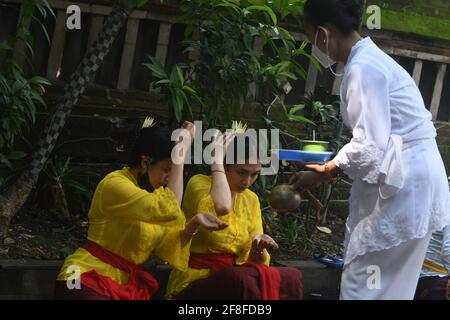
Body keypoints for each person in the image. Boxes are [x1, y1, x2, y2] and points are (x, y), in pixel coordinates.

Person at [289, 0, 450, 299]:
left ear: (323, 33)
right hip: (418, 180)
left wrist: (326, 171)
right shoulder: (373, 59)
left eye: (311, 38)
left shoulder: (362, 68)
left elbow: (369, 147)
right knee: (390, 288)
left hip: (405, 185)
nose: (315, 47)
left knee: (362, 286)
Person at [54, 120, 227, 300]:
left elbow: (168, 245)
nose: (170, 178)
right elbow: (167, 209)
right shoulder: (114, 184)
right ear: (145, 162)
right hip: (80, 278)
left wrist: (194, 223)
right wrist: (179, 155)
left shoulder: (157, 195)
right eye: (167, 169)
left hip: (121, 285)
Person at [165, 131, 303, 300]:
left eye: (254, 174)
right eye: (242, 172)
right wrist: (216, 161)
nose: (247, 182)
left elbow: (254, 260)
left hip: (234, 278)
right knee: (239, 280)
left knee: (292, 276)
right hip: (196, 280)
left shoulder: (251, 199)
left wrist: (258, 248)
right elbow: (222, 206)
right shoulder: (199, 184)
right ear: (224, 166)